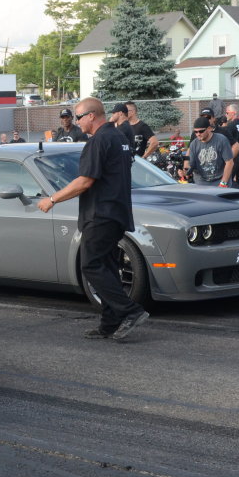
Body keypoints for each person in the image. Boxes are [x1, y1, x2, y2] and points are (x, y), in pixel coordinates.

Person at [36, 97, 149, 340]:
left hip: (101, 214)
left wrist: (52, 199)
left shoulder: (98, 141)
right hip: (117, 212)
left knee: (91, 265)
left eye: (78, 117)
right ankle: (110, 322)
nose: (76, 122)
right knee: (107, 267)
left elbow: (85, 181)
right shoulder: (119, 137)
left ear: (91, 116)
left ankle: (130, 311)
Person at [182, 116, 233, 187]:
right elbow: (191, 164)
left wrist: (223, 183)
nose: (198, 134)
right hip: (201, 183)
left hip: (219, 182)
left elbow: (229, 162)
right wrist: (185, 172)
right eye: (195, 132)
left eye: (201, 131)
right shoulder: (194, 144)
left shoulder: (221, 140)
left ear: (209, 129)